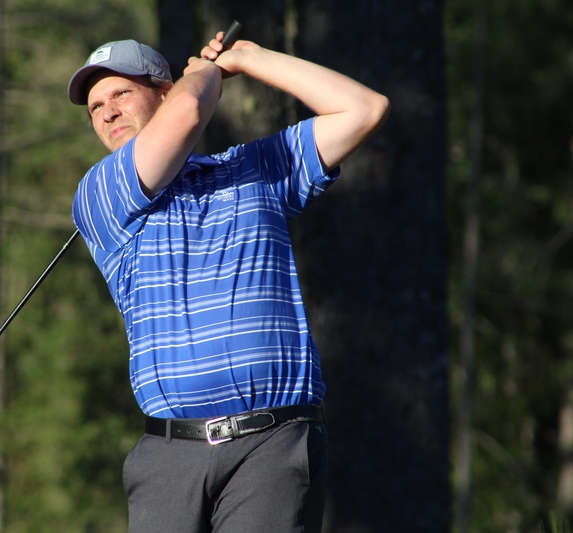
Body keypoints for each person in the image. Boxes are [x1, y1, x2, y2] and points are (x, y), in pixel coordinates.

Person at [67, 29, 389, 533]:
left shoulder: (251, 170)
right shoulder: (102, 193)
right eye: (95, 106)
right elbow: (188, 116)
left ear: (164, 90)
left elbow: (363, 108)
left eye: (121, 93)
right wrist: (205, 74)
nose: (106, 112)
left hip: (273, 444)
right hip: (169, 457)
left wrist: (252, 59)